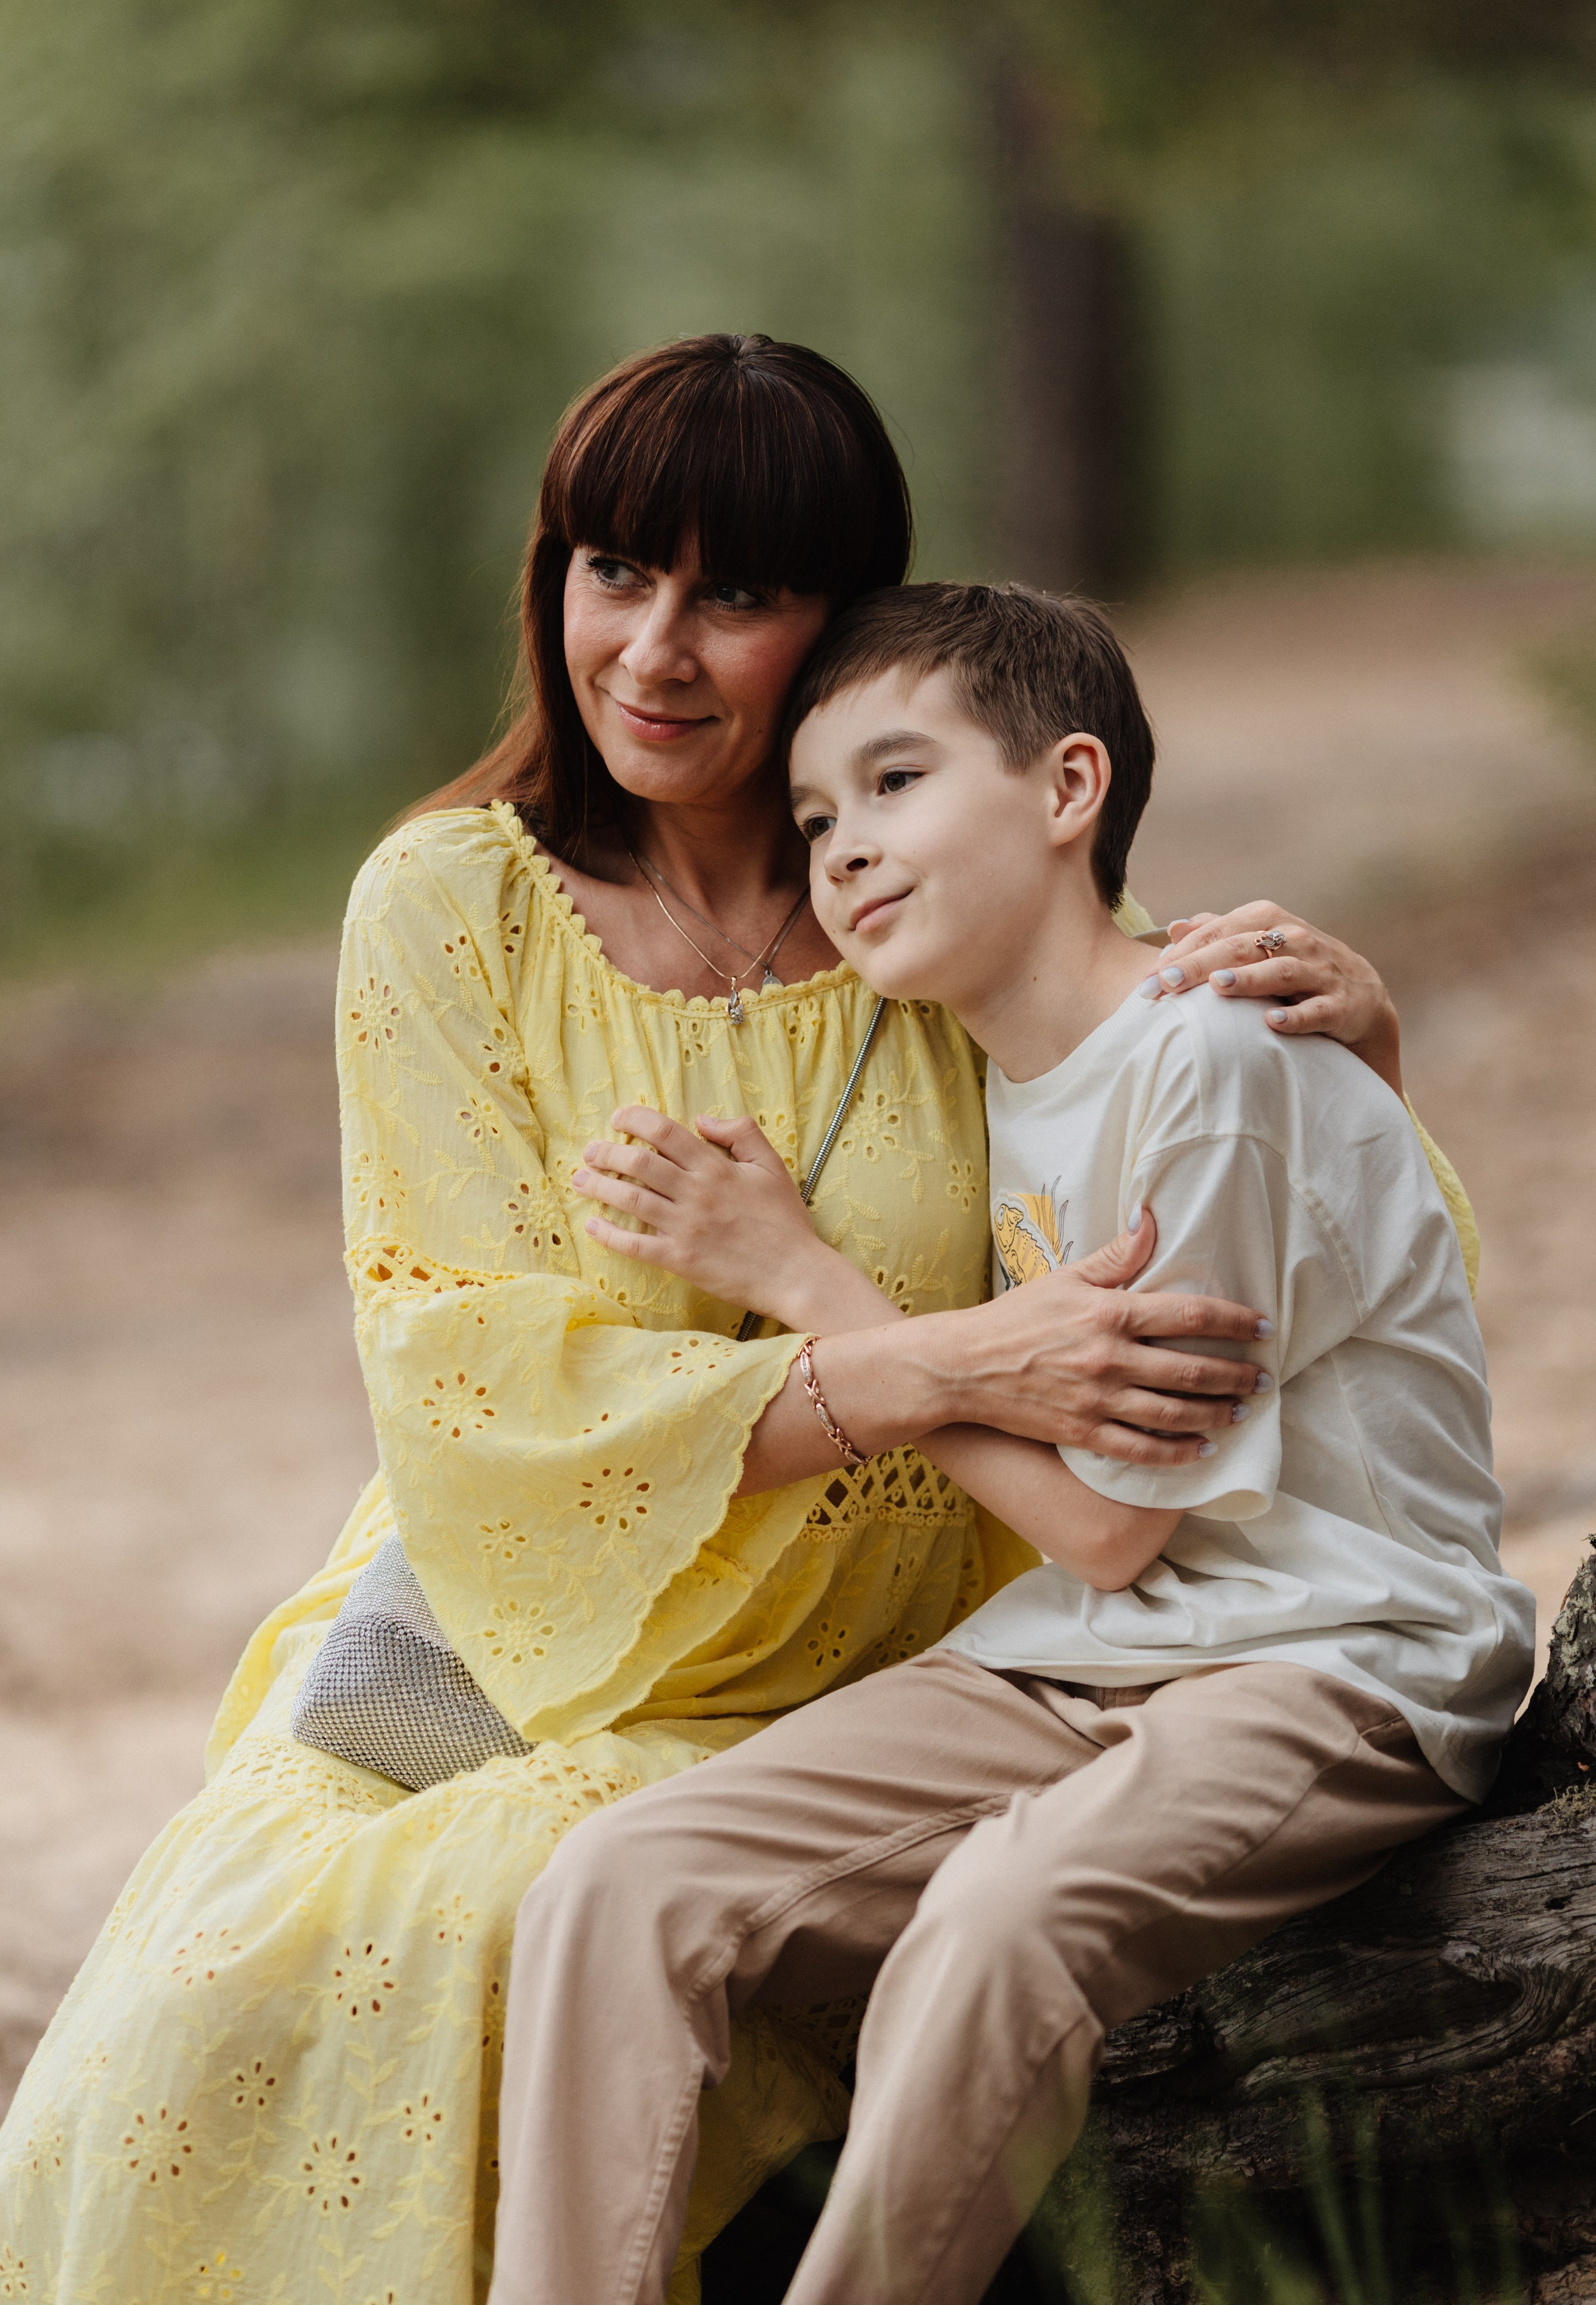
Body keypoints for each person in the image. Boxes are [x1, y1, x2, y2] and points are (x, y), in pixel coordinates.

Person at [0, 337, 1474, 2305]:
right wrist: (928, 1357)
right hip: (567, 1629)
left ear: (849, 626)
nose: (656, 650)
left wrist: (1361, 1047)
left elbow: (1235, 1209)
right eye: (616, 571)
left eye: (741, 595)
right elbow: (467, 1380)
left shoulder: (909, 899)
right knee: (251, 1987)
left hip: (971, 1611)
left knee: (794, 1916)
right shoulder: (454, 907)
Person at [486, 580, 1534, 2305]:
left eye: (897, 785)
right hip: (1080, 1660)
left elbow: (1119, 1529)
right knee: (617, 1881)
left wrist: (808, 1281)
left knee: (996, 1923)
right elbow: (1104, 1567)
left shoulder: (1215, 1062)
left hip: (1332, 1662)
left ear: (1067, 792)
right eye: (818, 816)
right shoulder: (967, 1082)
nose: (842, 851)